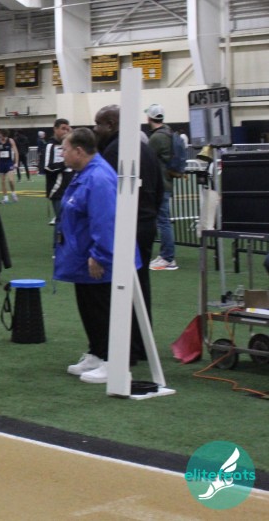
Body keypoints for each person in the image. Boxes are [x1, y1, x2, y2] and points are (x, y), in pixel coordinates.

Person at [55, 128, 137, 384]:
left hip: (99, 259)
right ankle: (97, 353)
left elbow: (105, 220)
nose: (62, 154)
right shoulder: (85, 174)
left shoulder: (99, 177)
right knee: (89, 307)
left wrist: (99, 255)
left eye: (65, 149)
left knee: (102, 309)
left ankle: (113, 361)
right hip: (82, 256)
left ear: (79, 151)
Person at [95, 105, 164, 366]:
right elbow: (159, 190)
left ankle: (126, 349)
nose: (95, 129)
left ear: (111, 124)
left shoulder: (114, 152)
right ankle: (142, 344)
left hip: (128, 226)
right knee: (141, 284)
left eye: (98, 124)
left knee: (119, 286)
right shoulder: (145, 149)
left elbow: (108, 194)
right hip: (146, 223)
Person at [145, 104, 178, 271]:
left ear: (149, 118)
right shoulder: (168, 132)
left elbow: (147, 158)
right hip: (166, 181)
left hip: (161, 184)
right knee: (163, 220)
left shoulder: (157, 138)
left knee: (163, 221)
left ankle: (168, 257)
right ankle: (166, 255)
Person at [42, 119, 72, 224]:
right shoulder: (50, 146)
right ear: (55, 129)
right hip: (57, 190)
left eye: (67, 129)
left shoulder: (70, 145)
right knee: (62, 222)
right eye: (63, 129)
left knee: (70, 222)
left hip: (71, 188)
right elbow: (48, 167)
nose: (65, 131)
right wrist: (66, 163)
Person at [0, 129, 19, 204]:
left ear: (5, 135)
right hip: (1, 163)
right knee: (2, 181)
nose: (1, 137)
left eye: (2, 135)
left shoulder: (10, 141)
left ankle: (13, 193)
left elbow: (16, 152)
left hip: (9, 163)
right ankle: (5, 198)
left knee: (11, 180)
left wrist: (16, 162)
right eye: (0, 135)